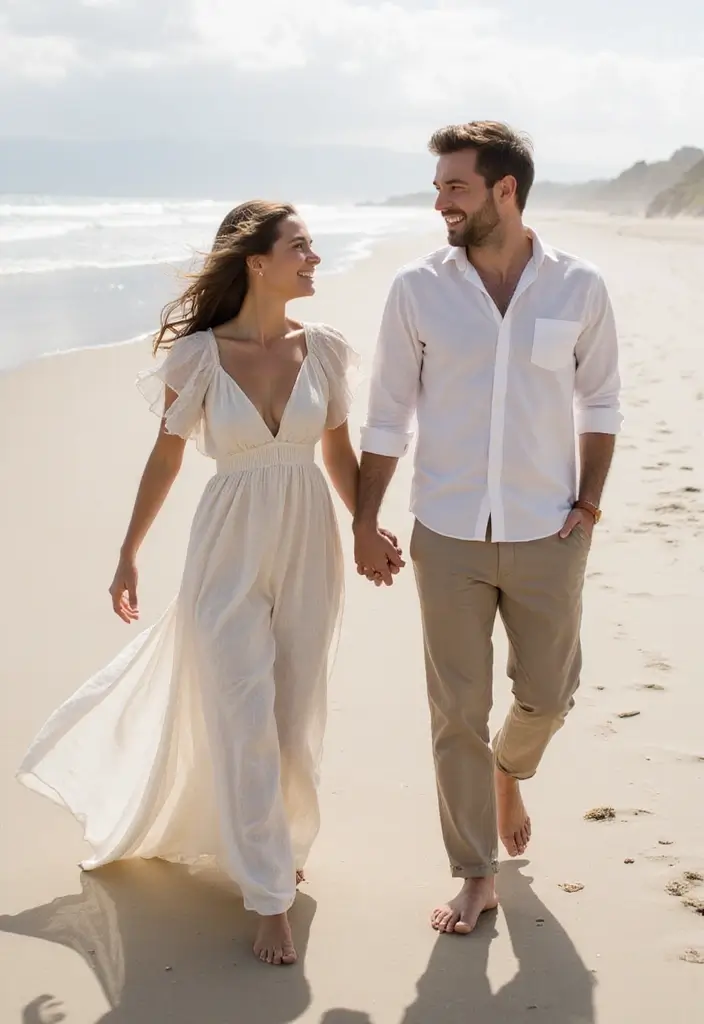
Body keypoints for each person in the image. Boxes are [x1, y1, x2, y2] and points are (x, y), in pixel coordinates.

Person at [17, 200, 397, 966]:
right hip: (226, 545)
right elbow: (165, 457)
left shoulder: (323, 349)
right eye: (301, 247)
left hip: (308, 540)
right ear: (258, 262)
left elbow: (337, 454)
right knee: (243, 709)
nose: (313, 258)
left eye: (314, 247)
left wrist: (366, 524)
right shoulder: (196, 358)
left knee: (293, 712)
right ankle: (268, 897)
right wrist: (129, 552)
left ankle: (279, 845)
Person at [353, 121, 622, 935]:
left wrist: (589, 502)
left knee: (549, 692)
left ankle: (510, 769)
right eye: (438, 188)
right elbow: (388, 413)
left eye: (455, 188)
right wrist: (364, 519)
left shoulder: (579, 287)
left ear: (506, 191)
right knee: (454, 709)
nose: (441, 203)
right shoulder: (417, 289)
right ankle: (475, 874)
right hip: (449, 532)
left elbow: (601, 401)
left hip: (550, 530)